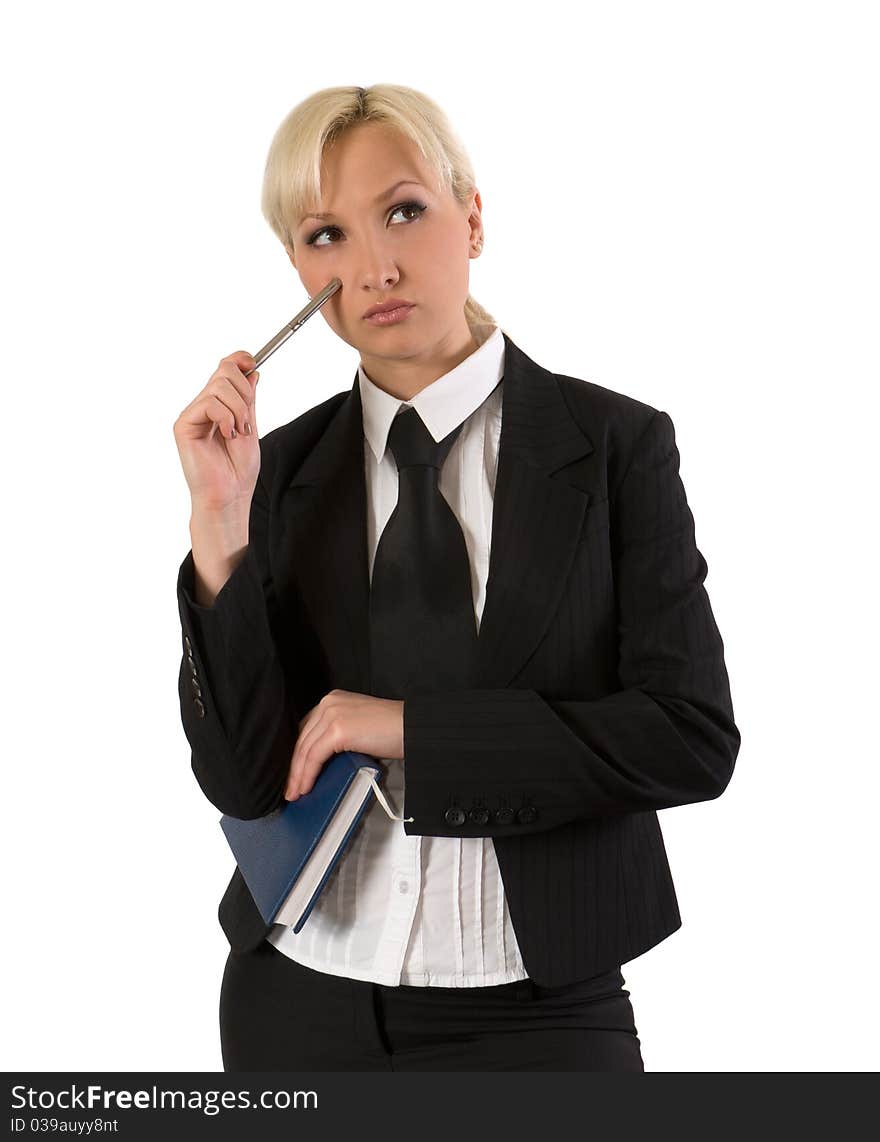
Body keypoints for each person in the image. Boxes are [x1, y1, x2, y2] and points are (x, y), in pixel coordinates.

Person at [172, 83, 740, 1072]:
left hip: (537, 1012)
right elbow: (243, 777)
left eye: (403, 211)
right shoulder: (277, 476)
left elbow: (689, 738)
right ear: (298, 269)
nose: (375, 265)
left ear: (471, 217)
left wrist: (407, 728)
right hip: (294, 1002)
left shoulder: (612, 449)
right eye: (324, 236)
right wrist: (220, 525)